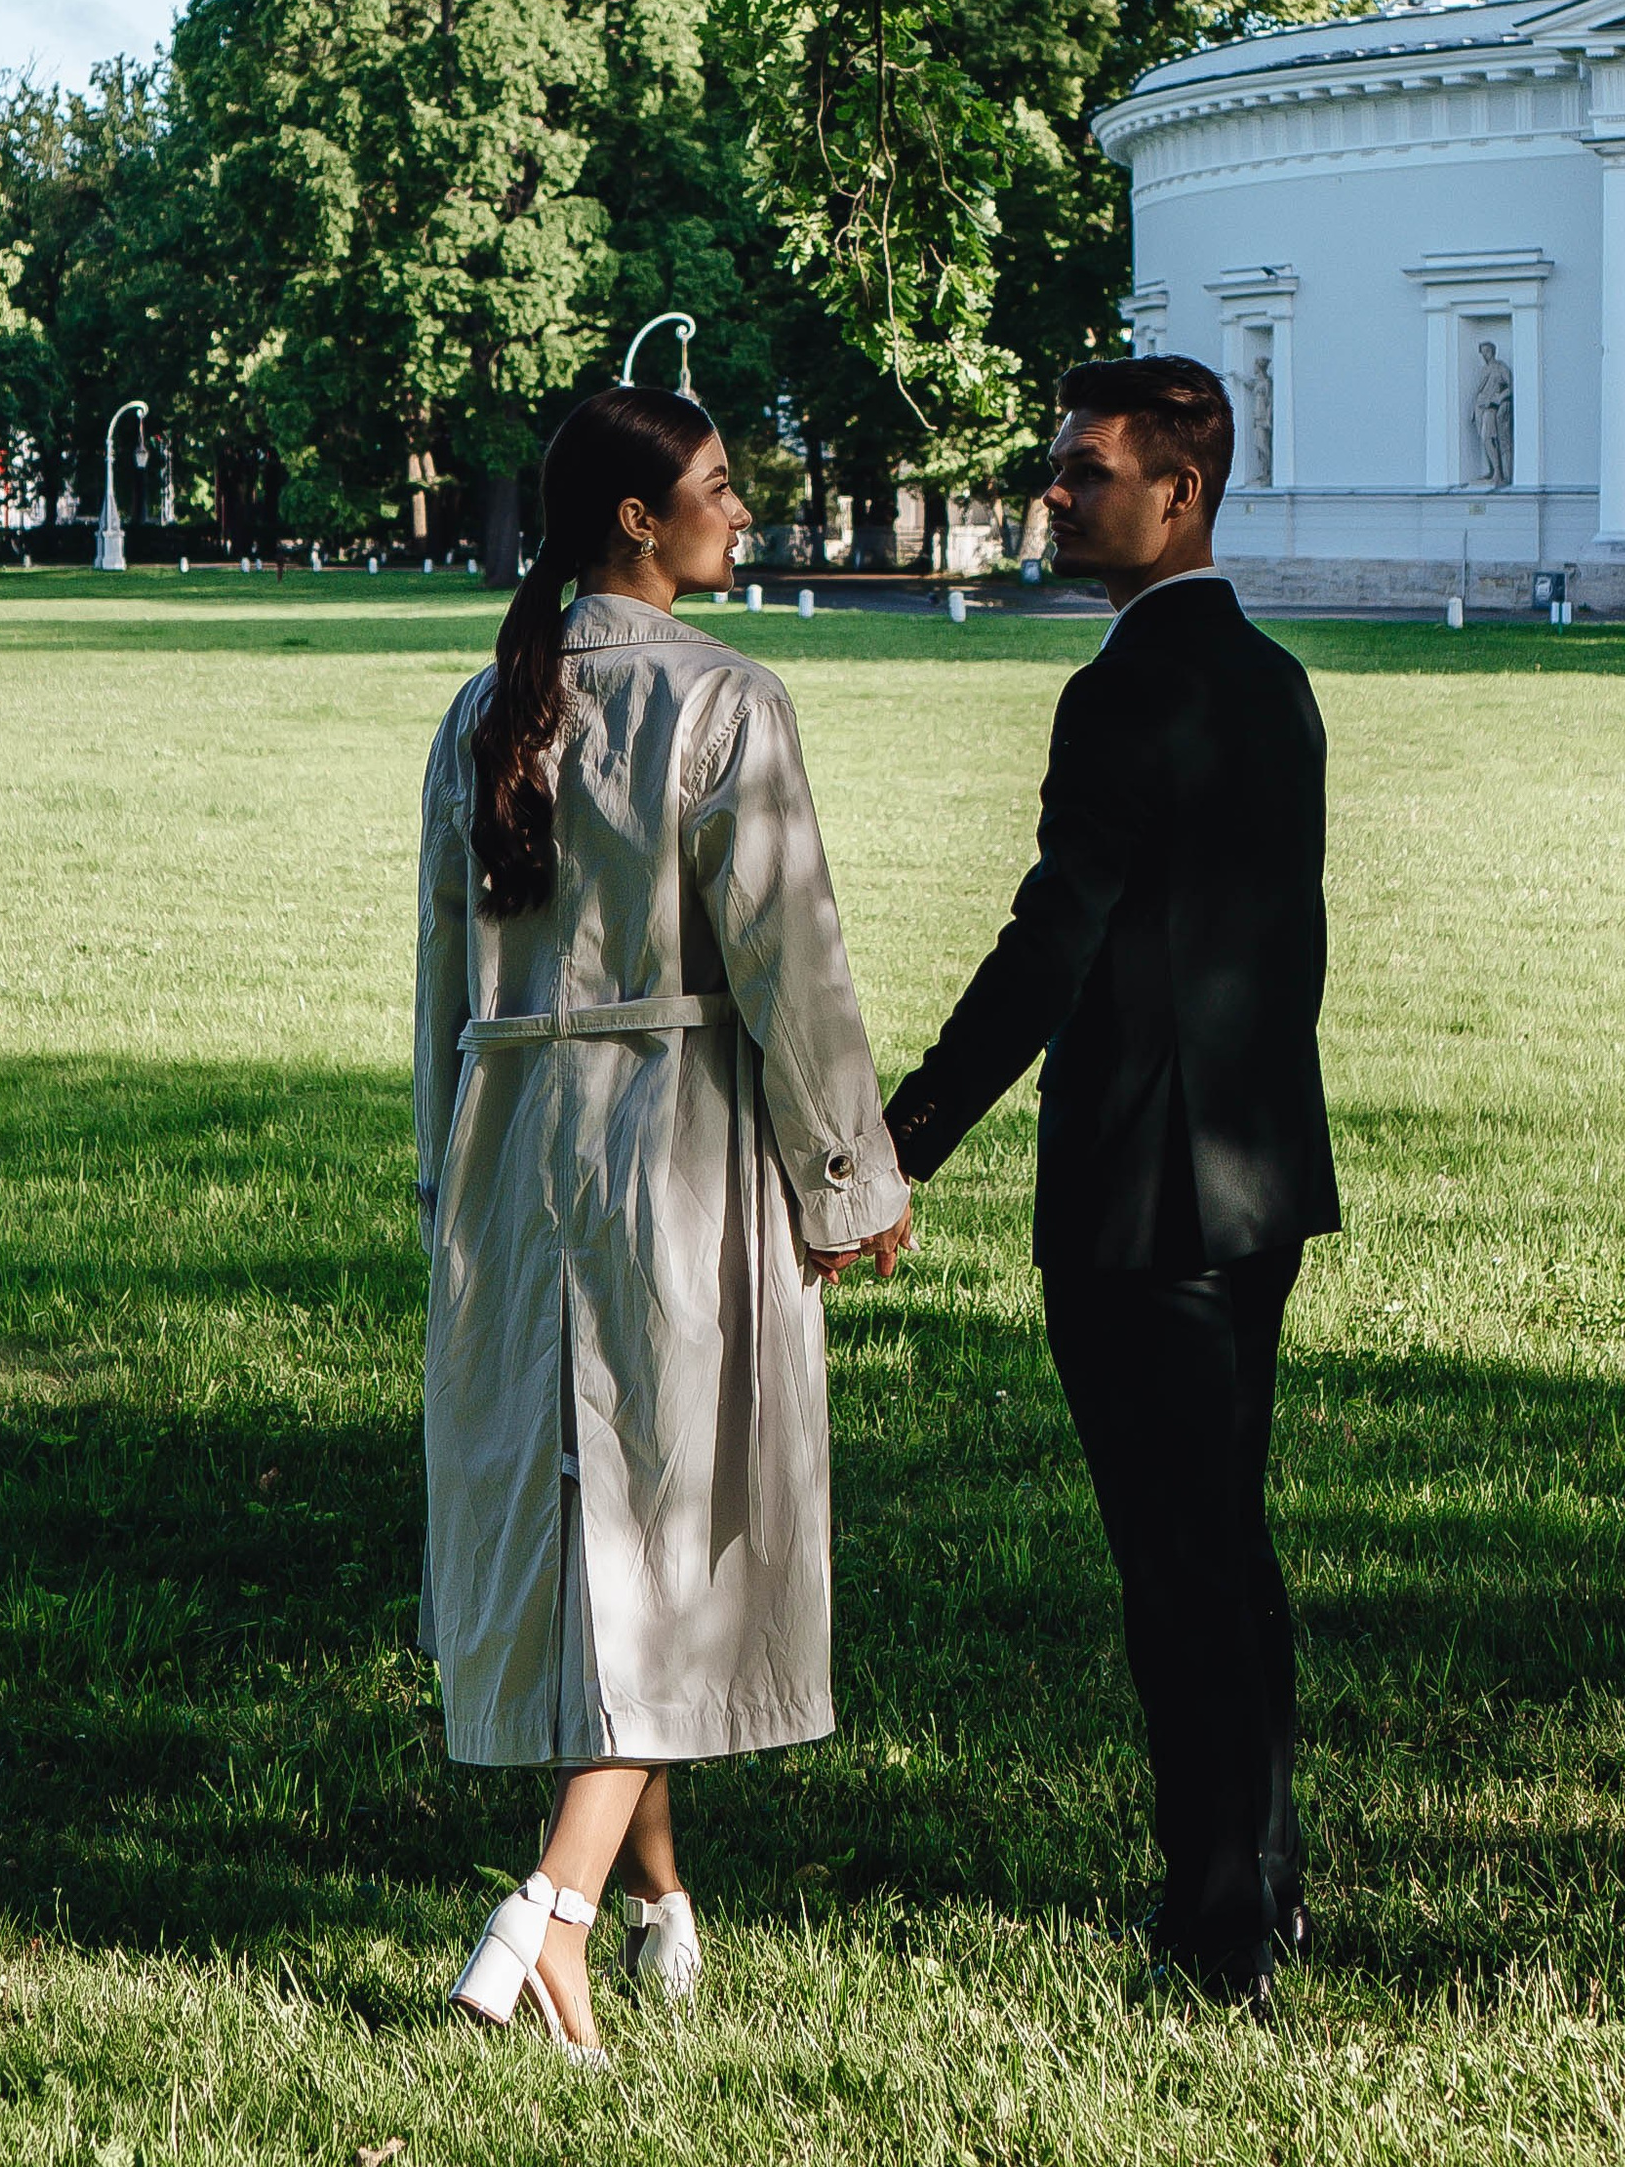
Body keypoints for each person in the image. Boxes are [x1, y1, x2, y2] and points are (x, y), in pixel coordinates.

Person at [416, 385, 910, 2060]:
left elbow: (439, 991)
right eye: (718, 487)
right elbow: (793, 964)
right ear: (641, 522)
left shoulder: (489, 705)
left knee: (591, 1524)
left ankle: (657, 1897)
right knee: (672, 1521)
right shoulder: (724, 701)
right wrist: (847, 1177)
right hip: (672, 1146)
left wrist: (446, 1178)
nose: (740, 511)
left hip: (511, 1146)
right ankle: (549, 1907)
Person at [884, 354, 1338, 2018]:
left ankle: (1220, 1929)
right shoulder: (1278, 683)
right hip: (1257, 1181)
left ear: (1181, 494)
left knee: (1178, 1567)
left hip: (1141, 1194)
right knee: (1227, 1547)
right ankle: (1260, 1889)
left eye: (1084, 471)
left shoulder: (1125, 692)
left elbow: (1053, 944)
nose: (1054, 493)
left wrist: (903, 1134)